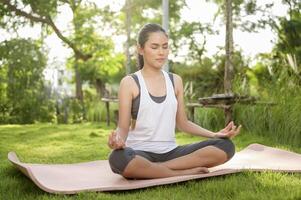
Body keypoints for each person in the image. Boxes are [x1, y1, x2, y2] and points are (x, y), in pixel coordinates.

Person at [107, 23, 241, 179]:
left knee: (226, 146)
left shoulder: (175, 81)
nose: (161, 53)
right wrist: (118, 141)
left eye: (165, 47)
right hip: (139, 153)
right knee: (118, 158)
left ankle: (155, 170)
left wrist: (214, 134)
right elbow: (123, 127)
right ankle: (183, 172)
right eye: (155, 47)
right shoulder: (129, 82)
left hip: (172, 154)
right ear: (140, 49)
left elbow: (183, 123)